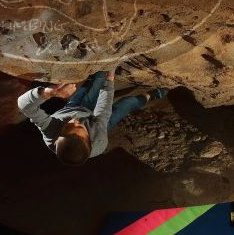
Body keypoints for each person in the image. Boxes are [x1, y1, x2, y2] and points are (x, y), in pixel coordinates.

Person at [17, 70, 168, 166]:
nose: (75, 121)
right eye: (80, 127)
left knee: (98, 77)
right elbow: (104, 110)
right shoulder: (99, 141)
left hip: (73, 106)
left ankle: (99, 74)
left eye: (67, 126)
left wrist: (51, 93)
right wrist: (110, 80)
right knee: (126, 103)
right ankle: (151, 95)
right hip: (97, 120)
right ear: (90, 139)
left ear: (57, 139)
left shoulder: (50, 132)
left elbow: (24, 105)